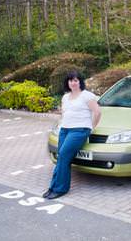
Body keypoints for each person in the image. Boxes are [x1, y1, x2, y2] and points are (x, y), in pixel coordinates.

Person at [43, 71, 101, 199]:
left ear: (80, 81)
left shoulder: (86, 96)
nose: (73, 83)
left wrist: (91, 127)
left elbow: (97, 112)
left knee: (63, 155)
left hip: (79, 130)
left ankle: (61, 189)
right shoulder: (65, 97)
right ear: (67, 83)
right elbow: (64, 114)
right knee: (62, 158)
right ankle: (53, 187)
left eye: (75, 80)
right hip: (65, 130)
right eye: (70, 80)